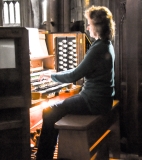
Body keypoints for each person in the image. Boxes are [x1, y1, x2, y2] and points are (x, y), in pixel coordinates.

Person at [35, 5, 116, 160]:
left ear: (98, 27)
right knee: (60, 106)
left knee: (49, 112)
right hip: (101, 100)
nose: (87, 27)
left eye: (89, 23)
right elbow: (78, 72)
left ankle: (43, 157)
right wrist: (55, 75)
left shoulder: (98, 48)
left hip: (92, 102)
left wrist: (51, 76)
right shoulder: (106, 44)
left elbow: (74, 75)